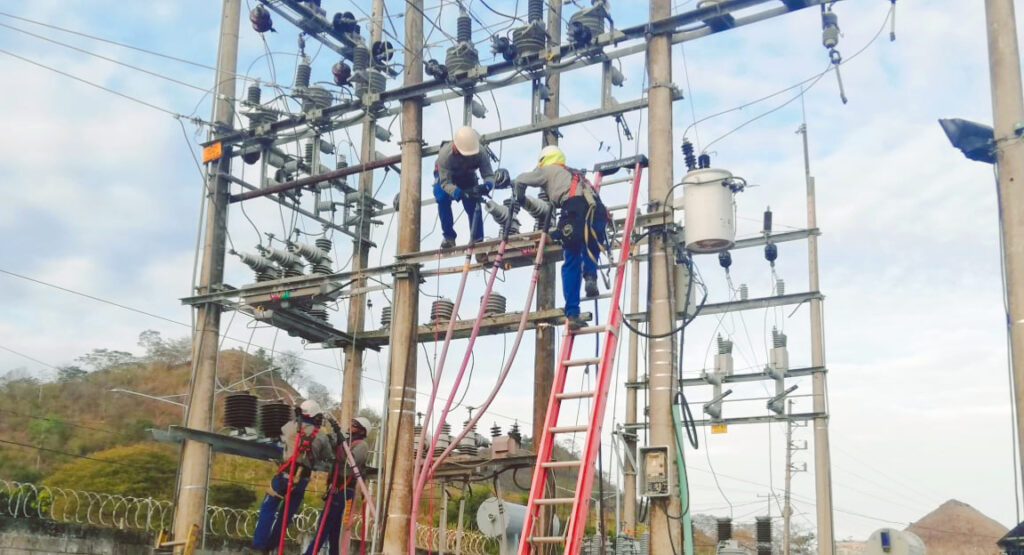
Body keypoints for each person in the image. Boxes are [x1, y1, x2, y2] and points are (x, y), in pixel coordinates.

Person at [512, 145, 607, 329]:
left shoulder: (547, 170)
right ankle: (590, 277)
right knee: (590, 244)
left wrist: (521, 198)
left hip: (574, 208)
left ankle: (572, 313)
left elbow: (521, 180)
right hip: (598, 211)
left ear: (543, 161)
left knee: (571, 258)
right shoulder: (575, 175)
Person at [252, 399, 333, 553]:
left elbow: (281, 431)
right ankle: (270, 547)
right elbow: (328, 455)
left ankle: (259, 546)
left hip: (284, 476)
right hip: (301, 481)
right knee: (285, 517)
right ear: (316, 415)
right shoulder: (321, 436)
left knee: (268, 508)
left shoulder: (290, 428)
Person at [304, 417, 371, 555]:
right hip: (336, 489)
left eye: (354, 425)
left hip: (344, 490)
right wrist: (334, 437)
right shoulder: (346, 442)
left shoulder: (362, 446)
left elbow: (349, 462)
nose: (350, 427)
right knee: (333, 529)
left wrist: (340, 445)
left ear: (362, 430)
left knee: (324, 524)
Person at [434, 126, 496, 249]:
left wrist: (487, 186)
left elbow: (489, 175)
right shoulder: (445, 156)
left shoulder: (480, 152)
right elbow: (445, 183)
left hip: (467, 175)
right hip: (446, 176)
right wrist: (458, 193)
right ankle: (449, 237)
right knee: (442, 198)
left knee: (473, 204)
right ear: (456, 148)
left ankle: (478, 242)